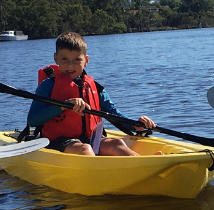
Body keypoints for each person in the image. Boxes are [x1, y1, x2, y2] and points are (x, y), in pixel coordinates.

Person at [27, 32, 157, 156]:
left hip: (91, 139)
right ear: (56, 58)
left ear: (86, 60)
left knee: (116, 144)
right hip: (58, 142)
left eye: (77, 60)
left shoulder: (95, 87)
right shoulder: (48, 86)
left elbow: (114, 114)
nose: (70, 65)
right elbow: (33, 120)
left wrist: (136, 125)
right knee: (85, 149)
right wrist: (63, 106)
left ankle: (143, 162)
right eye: (64, 59)